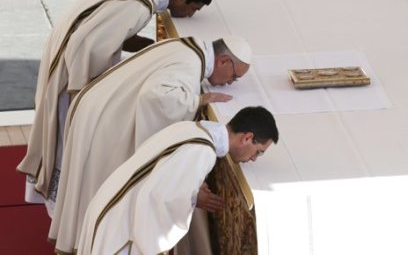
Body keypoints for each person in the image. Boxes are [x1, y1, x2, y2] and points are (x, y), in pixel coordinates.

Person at [16, 0, 213, 211]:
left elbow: (116, 34)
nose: (190, 15)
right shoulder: (138, 6)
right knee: (70, 142)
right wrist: (95, 91)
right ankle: (66, 210)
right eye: (193, 8)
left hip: (62, 51)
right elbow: (86, 44)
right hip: (72, 76)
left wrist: (155, 50)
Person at [49, 35, 253, 254]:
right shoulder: (190, 68)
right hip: (106, 122)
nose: (230, 83)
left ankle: (85, 241)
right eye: (233, 77)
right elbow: (154, 97)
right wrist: (196, 101)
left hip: (100, 106)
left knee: (99, 195)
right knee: (97, 185)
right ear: (223, 61)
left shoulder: (190, 48)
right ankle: (87, 243)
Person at [77, 106, 279, 255]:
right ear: (247, 138)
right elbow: (162, 198)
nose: (253, 159)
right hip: (122, 229)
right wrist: (193, 198)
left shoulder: (192, 128)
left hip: (110, 205)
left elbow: (167, 172)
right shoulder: (203, 152)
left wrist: (192, 186)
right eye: (258, 152)